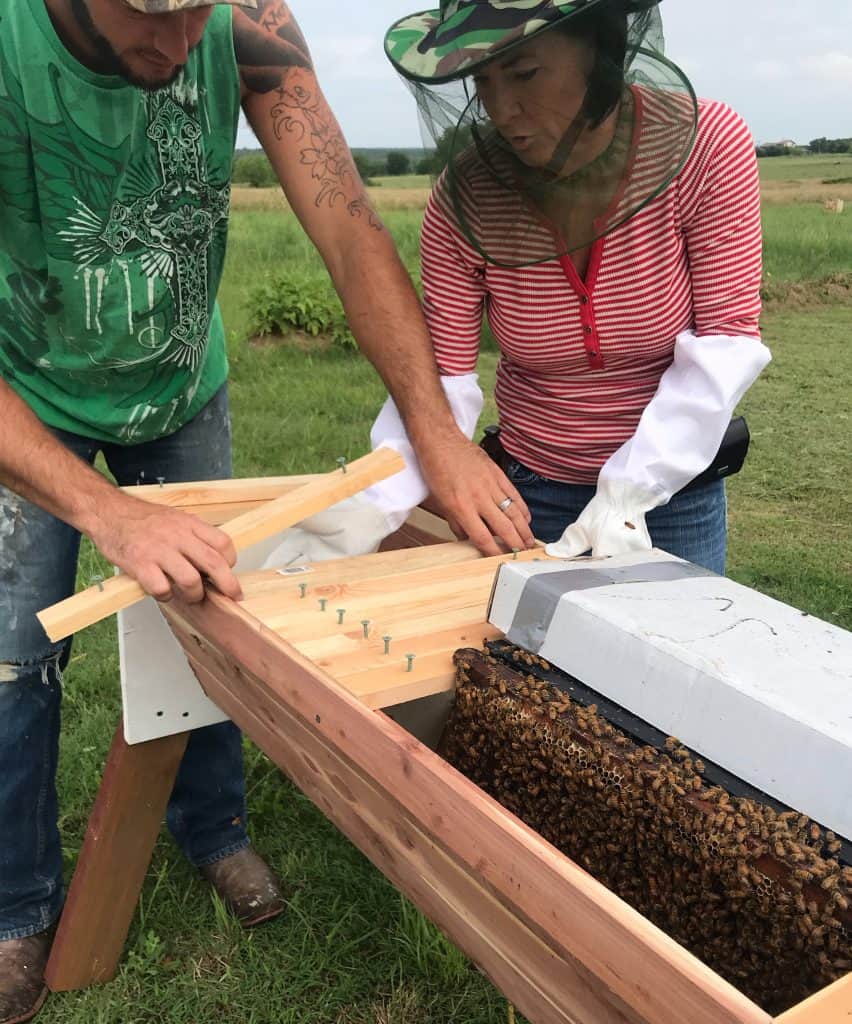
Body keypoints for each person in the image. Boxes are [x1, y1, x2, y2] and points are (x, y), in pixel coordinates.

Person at [0, 1, 537, 1020]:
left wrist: (436, 432)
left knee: (219, 610)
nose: (175, 41)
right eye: (142, 13)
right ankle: (16, 909)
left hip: (176, 384)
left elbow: (344, 226)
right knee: (13, 656)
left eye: (194, 8)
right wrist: (110, 518)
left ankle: (215, 832)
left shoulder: (249, 21)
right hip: (26, 391)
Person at [375, 0, 772, 572]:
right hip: (526, 491)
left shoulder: (707, 145)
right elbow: (442, 380)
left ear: (601, 49)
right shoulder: (464, 201)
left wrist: (630, 493)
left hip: (675, 496)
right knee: (520, 661)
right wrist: (375, 498)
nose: (501, 110)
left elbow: (725, 341)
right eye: (482, 81)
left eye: (525, 73)